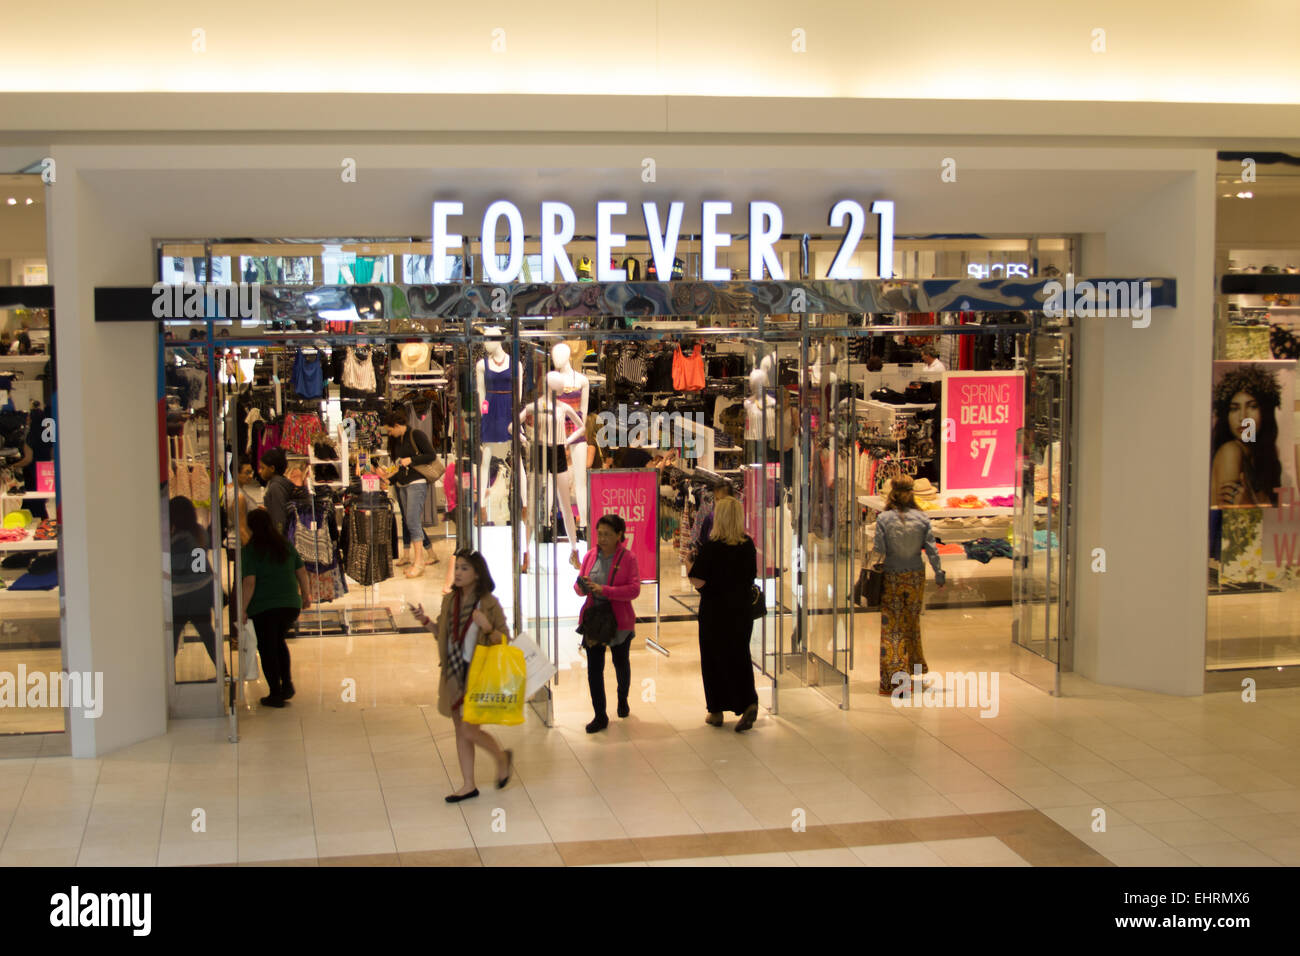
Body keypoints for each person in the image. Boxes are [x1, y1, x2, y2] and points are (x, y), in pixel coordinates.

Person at [410, 549, 512, 802]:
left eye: (464, 568)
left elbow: (504, 639)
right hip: (454, 673)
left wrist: (487, 627)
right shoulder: (449, 601)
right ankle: (468, 784)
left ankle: (501, 757)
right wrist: (424, 621)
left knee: (469, 730)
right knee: (460, 729)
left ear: (477, 574)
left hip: (478, 673)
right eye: (457, 568)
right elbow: (442, 634)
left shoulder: (489, 603)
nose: (457, 573)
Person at [688, 497, 760, 731]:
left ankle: (716, 710)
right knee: (739, 656)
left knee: (713, 658)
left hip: (714, 610)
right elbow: (751, 576)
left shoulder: (712, 547)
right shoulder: (748, 544)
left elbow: (698, 579)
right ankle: (748, 702)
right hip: (741, 610)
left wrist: (690, 565)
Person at [870, 475, 945, 696]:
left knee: (892, 627)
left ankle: (893, 681)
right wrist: (939, 574)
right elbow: (932, 549)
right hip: (915, 576)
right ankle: (911, 675)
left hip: (892, 576)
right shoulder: (922, 518)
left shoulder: (884, 519)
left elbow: (879, 548)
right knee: (911, 625)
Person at [574, 514, 641, 732]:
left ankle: (622, 698)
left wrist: (606, 590)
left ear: (619, 535)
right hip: (594, 618)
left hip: (619, 620)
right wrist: (582, 587)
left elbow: (634, 590)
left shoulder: (628, 558)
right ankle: (600, 715)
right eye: (599, 533)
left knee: (620, 663)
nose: (602, 538)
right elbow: (578, 588)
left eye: (607, 534)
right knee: (594, 668)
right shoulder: (590, 556)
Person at [240, 507, 312, 708]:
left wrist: (243, 608)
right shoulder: (285, 546)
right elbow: (301, 572)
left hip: (264, 607)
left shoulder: (250, 550)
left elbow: (249, 582)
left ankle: (275, 692)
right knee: (279, 642)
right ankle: (287, 684)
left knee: (267, 648)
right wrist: (305, 595)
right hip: (289, 605)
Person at [1211, 366, 1283, 507]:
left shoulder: (1267, 460)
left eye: (1252, 406)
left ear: (1265, 413)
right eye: (1234, 408)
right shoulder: (1231, 452)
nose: (1243, 417)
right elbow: (1233, 522)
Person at [384, 408, 439, 577]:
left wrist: (412, 460)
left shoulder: (416, 435)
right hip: (403, 484)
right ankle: (424, 556)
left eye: (389, 429)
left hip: (417, 482)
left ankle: (419, 562)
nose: (389, 433)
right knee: (409, 520)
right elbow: (401, 467)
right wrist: (390, 481)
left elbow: (431, 455)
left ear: (397, 425)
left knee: (413, 520)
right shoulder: (398, 440)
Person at [169, 495, 218, 671]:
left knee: (173, 636)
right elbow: (199, 567)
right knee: (207, 634)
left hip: (180, 594)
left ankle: (167, 675)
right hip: (202, 592)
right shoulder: (199, 532)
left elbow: (177, 567)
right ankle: (223, 671)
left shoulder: (176, 538)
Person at [258, 448, 308, 536]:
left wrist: (278, 541)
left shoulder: (275, 487)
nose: (260, 471)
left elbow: (279, 519)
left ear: (272, 468)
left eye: (263, 468)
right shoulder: (281, 483)